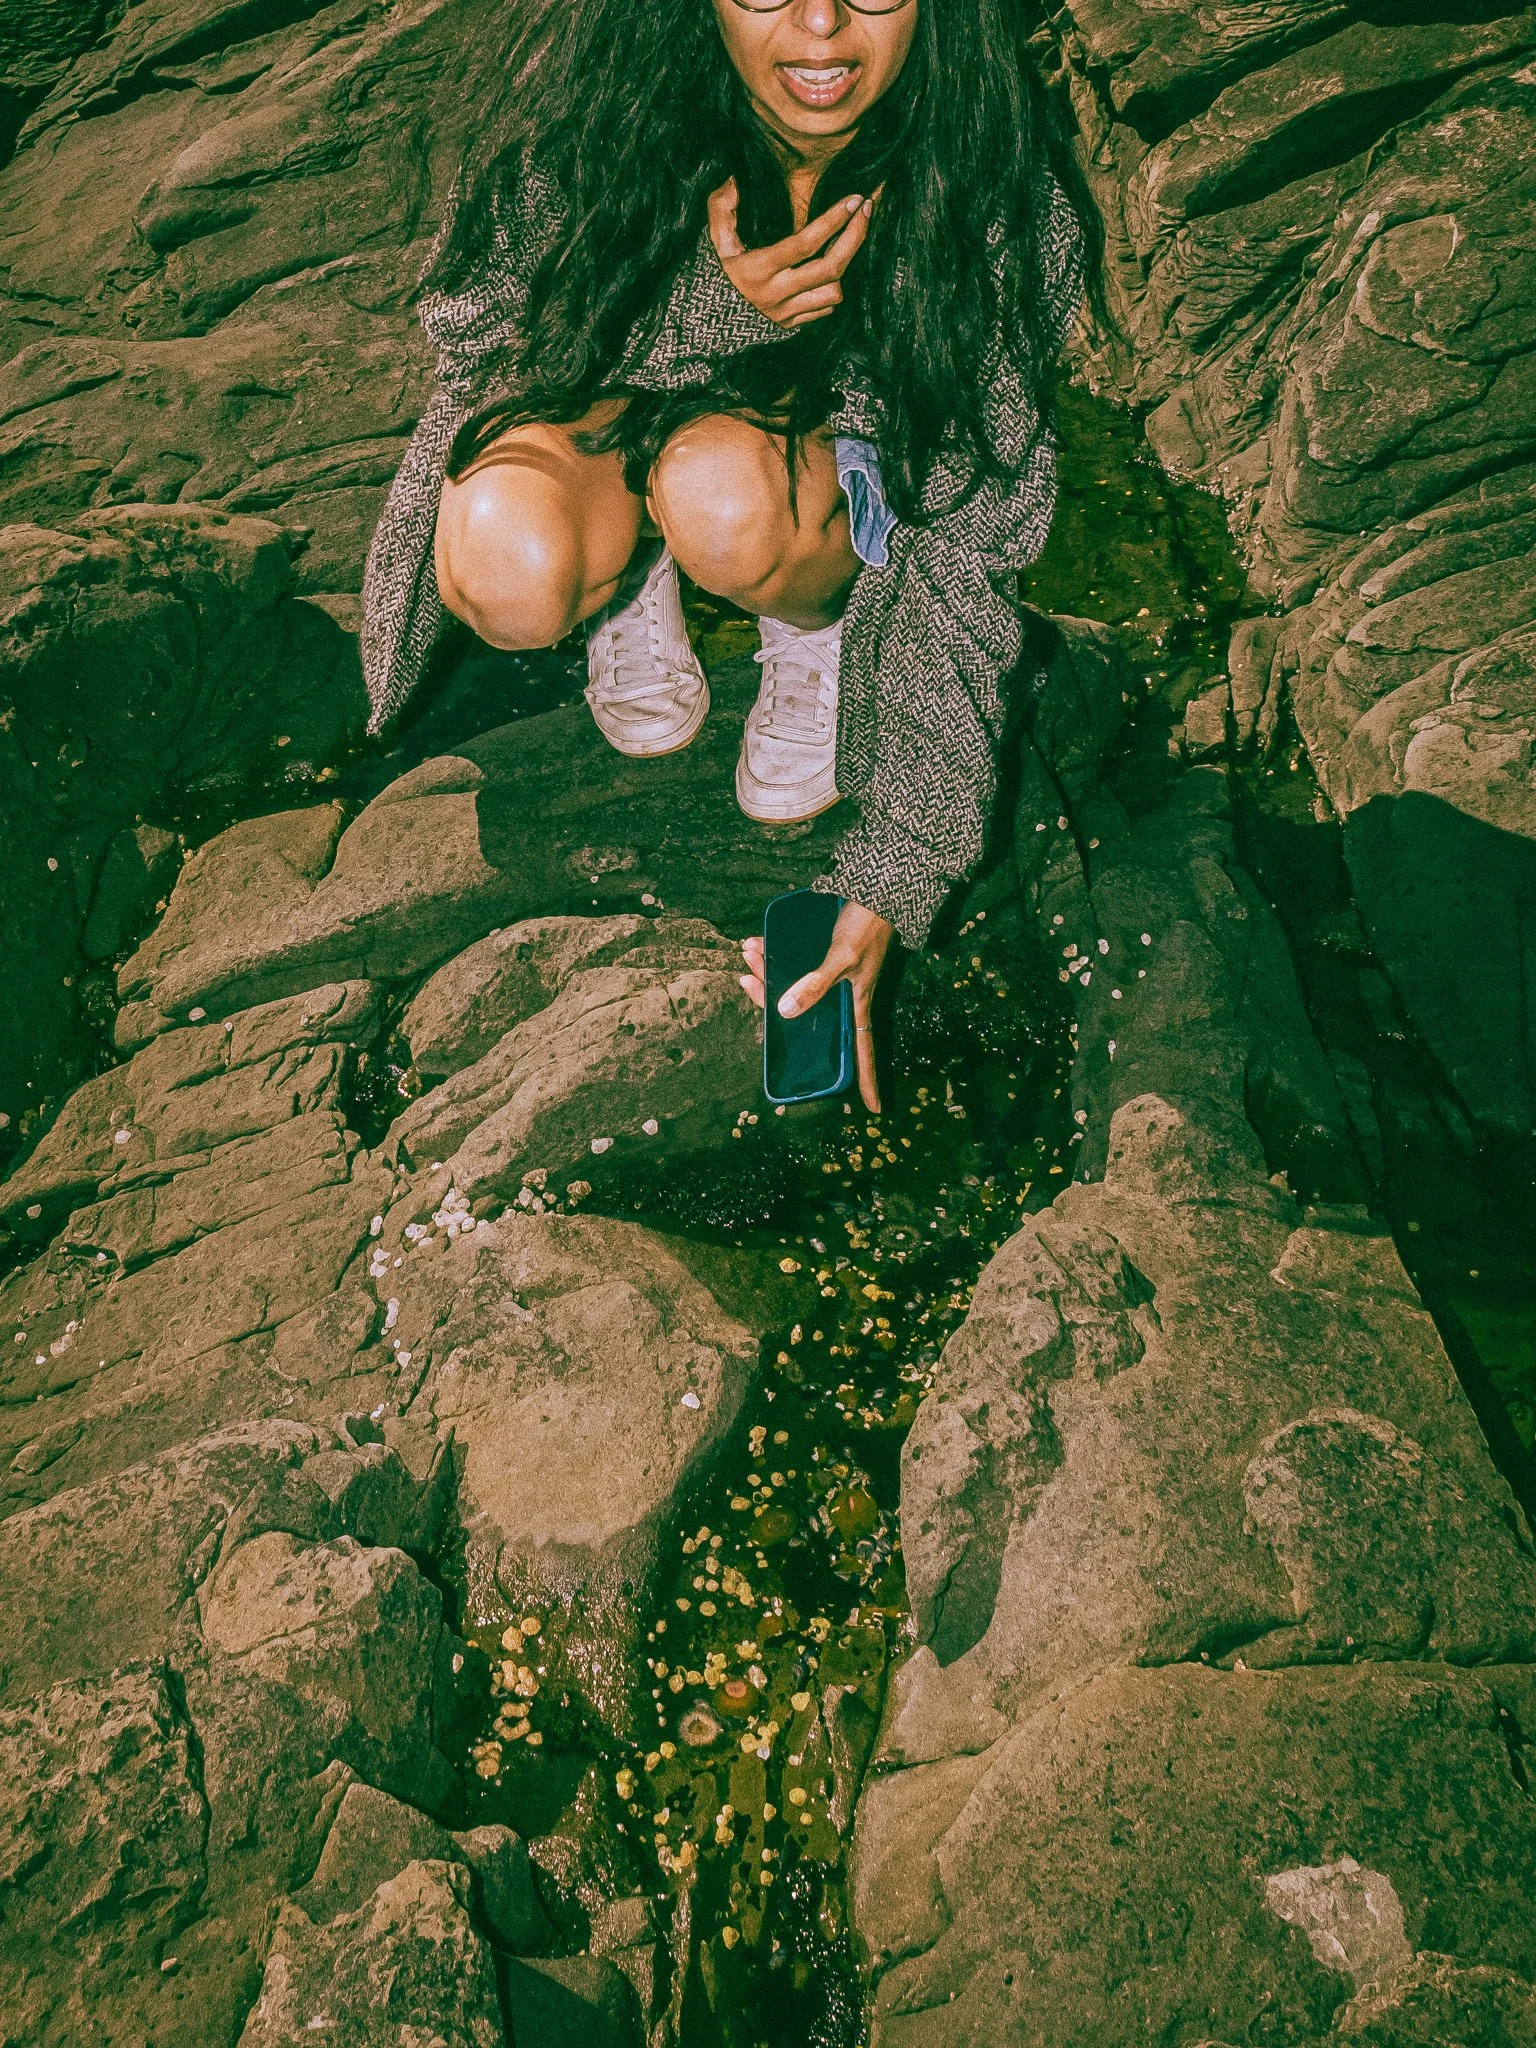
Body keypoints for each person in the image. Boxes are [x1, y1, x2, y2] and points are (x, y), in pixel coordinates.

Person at [361, 0, 1096, 1110]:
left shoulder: (992, 182)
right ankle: (626, 577)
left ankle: (808, 617)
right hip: (602, 410)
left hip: (788, 466)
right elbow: (474, 334)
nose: (818, 26)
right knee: (509, 562)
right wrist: (706, 311)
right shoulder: (587, 104)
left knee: (722, 497)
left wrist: (896, 870)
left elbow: (972, 531)